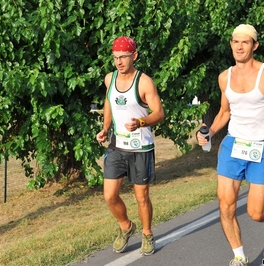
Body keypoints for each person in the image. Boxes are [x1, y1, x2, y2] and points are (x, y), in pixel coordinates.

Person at [197, 24, 264, 266]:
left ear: (254, 46)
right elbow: (225, 112)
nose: (239, 46)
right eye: (235, 41)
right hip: (233, 145)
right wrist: (210, 132)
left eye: (245, 42)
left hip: (262, 147)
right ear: (231, 44)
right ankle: (239, 256)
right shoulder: (224, 77)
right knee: (226, 205)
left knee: (257, 213)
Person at [96, 36, 165, 256]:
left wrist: (141, 122)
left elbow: (159, 113)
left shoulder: (145, 82)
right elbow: (109, 101)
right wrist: (106, 128)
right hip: (117, 145)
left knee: (141, 196)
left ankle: (147, 233)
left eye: (123, 57)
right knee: (109, 195)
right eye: (115, 57)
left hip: (141, 147)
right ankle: (126, 226)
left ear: (134, 56)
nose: (119, 62)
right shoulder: (110, 78)